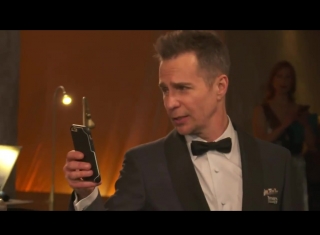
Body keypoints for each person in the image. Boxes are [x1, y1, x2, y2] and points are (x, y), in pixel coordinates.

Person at [63, 30, 303, 211]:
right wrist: (86, 195)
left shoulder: (276, 161)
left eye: (182, 88)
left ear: (220, 86)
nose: (170, 103)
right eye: (165, 90)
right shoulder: (145, 165)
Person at [252, 60, 320, 210]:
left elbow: (312, 145)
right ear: (273, 80)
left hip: (295, 167)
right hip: (272, 166)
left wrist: (305, 124)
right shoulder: (263, 109)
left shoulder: (299, 109)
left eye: (288, 77)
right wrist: (284, 125)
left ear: (293, 81)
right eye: (279, 76)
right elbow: (260, 141)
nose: (283, 81)